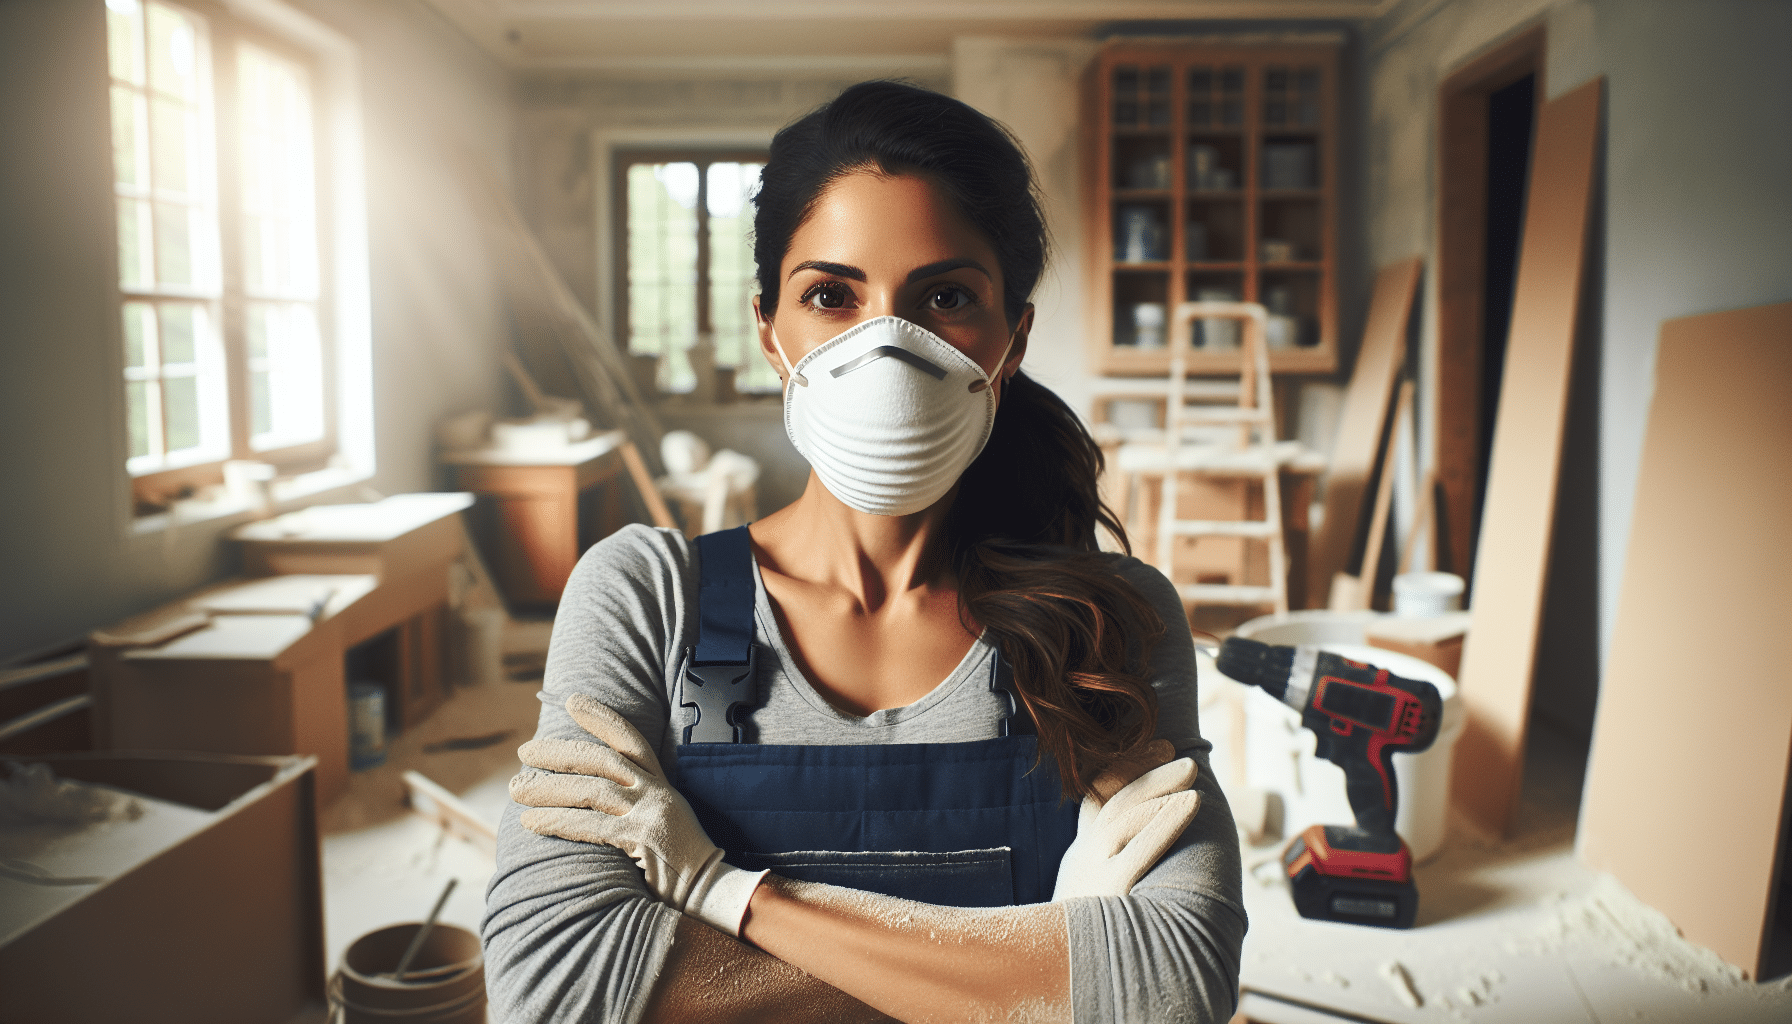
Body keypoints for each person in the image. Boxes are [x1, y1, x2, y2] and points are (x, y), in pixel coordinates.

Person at [484, 80, 1245, 1023]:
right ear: (771, 332)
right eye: (832, 296)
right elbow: (554, 988)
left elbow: (1176, 992)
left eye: (946, 296)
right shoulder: (647, 599)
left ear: (1012, 339)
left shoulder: (1110, 623)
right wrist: (1045, 968)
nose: (888, 347)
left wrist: (724, 893)